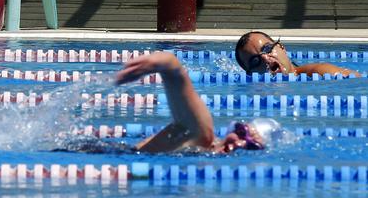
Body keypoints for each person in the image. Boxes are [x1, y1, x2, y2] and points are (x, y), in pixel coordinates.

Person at [115, 52, 283, 154]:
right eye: (241, 132)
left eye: (251, 147)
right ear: (232, 128)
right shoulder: (202, 135)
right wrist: (162, 63)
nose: (239, 143)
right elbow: (172, 65)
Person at [235, 31, 359, 76]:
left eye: (267, 49)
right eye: (255, 61)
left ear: (281, 47)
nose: (265, 58)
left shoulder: (319, 72)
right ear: (250, 74)